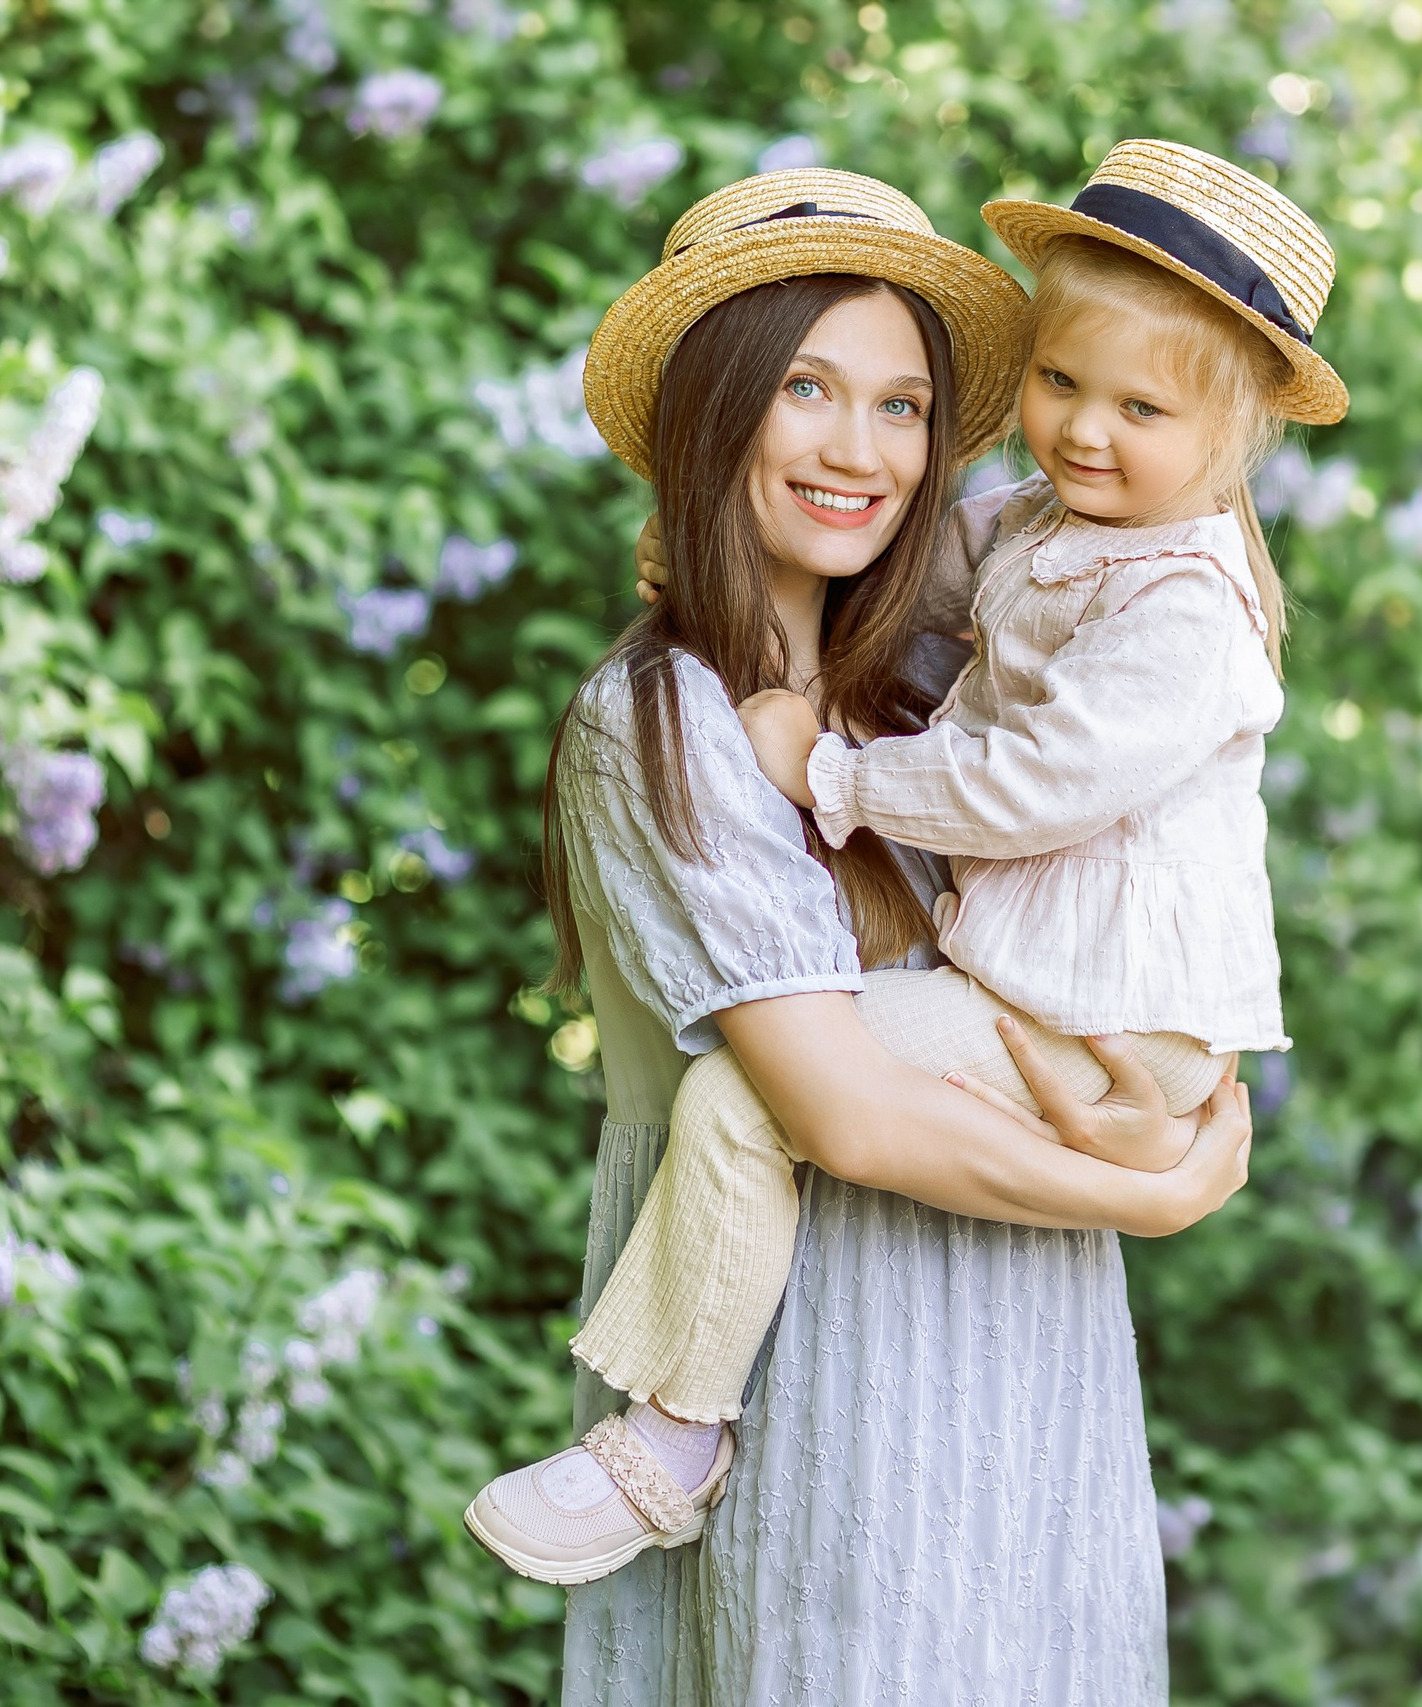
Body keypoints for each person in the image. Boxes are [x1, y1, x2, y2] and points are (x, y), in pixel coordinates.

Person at [481, 142, 1351, 1603]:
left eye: (904, 407)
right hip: (823, 1388)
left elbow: (1085, 846)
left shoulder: (958, 673)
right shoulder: (671, 717)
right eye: (805, 388)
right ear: (713, 407)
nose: (863, 451)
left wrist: (831, 766)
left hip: (1015, 1363)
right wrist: (1148, 1190)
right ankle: (676, 1435)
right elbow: (847, 1112)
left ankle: (675, 1437)